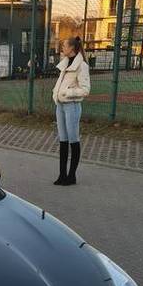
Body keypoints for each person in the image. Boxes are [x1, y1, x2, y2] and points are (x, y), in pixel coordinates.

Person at [51, 36, 90, 186]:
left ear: (72, 48)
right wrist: (56, 93)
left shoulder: (82, 66)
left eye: (64, 46)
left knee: (73, 140)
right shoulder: (66, 63)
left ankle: (71, 176)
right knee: (63, 140)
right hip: (60, 105)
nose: (62, 48)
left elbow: (85, 90)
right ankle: (62, 175)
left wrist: (69, 93)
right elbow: (61, 83)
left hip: (72, 105)